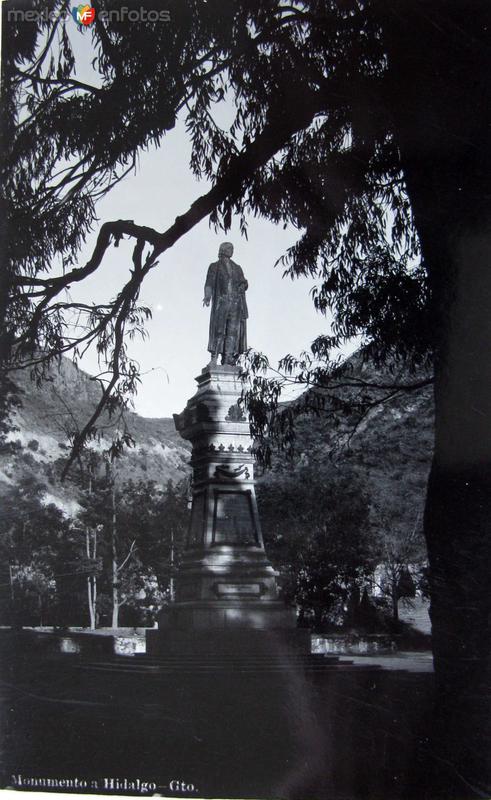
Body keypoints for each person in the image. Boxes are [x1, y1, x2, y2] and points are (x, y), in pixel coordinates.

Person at [203, 242, 248, 366]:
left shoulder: (237, 267)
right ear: (222, 250)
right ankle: (214, 358)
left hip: (235, 304)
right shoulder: (214, 266)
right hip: (221, 302)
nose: (231, 250)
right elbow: (209, 283)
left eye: (232, 248)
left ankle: (228, 357)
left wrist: (243, 285)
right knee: (218, 331)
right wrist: (207, 295)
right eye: (229, 248)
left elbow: (243, 282)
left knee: (233, 331)